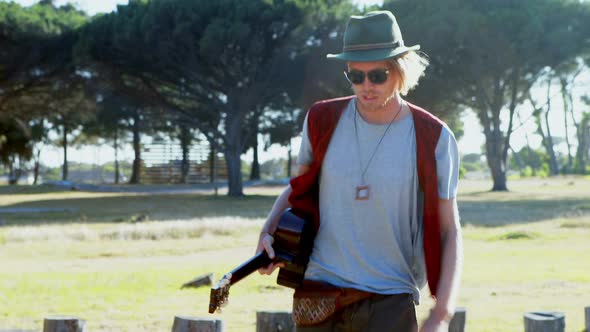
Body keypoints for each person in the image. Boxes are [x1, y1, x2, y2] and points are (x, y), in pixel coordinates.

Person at [257, 10, 462, 332]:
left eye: (378, 75)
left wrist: (441, 315)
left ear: (400, 70)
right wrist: (266, 233)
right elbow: (298, 189)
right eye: (356, 76)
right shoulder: (321, 120)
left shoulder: (432, 137)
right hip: (318, 295)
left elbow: (450, 231)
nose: (366, 86)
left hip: (391, 301)